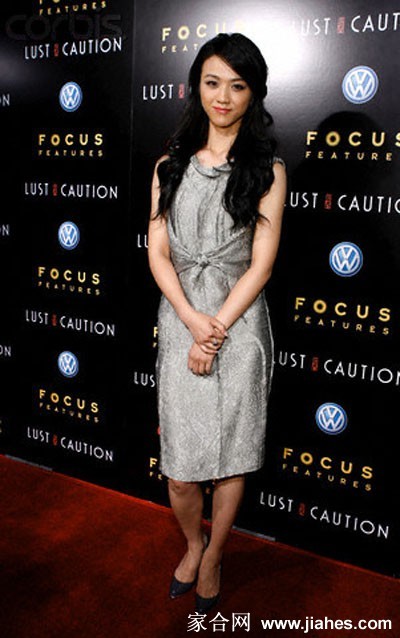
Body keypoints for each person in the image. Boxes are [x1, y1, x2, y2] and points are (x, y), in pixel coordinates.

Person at [148, 32, 286, 613]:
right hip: (183, 315)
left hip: (240, 323)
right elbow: (158, 253)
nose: (223, 97)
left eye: (237, 85)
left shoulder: (268, 170)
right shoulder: (169, 166)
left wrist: (216, 330)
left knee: (231, 459)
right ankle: (193, 542)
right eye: (212, 83)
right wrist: (189, 319)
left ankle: (214, 556)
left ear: (253, 94)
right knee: (182, 472)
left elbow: (262, 265)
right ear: (196, 88)